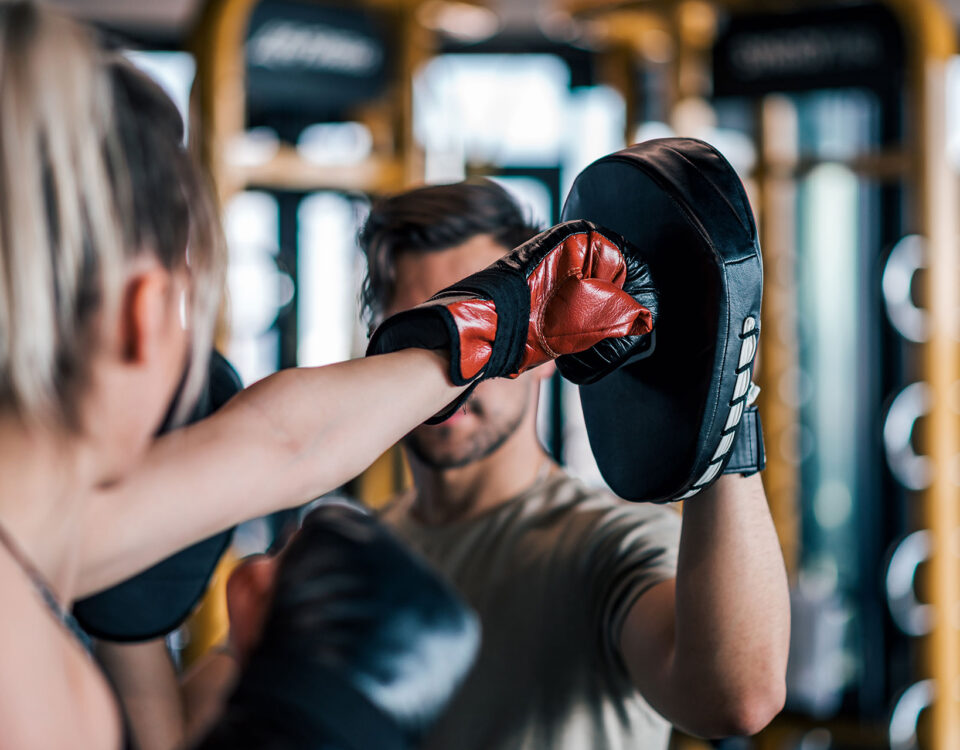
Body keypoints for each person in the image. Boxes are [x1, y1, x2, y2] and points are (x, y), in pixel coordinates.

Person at [0, 5, 657, 748]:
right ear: (140, 315)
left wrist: (506, 326)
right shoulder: (27, 669)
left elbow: (286, 444)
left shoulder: (52, 531)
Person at [354, 179, 791, 749]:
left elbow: (737, 699)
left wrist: (719, 400)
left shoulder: (610, 544)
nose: (456, 372)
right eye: (429, 334)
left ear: (546, 343)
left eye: (488, 330)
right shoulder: (352, 555)